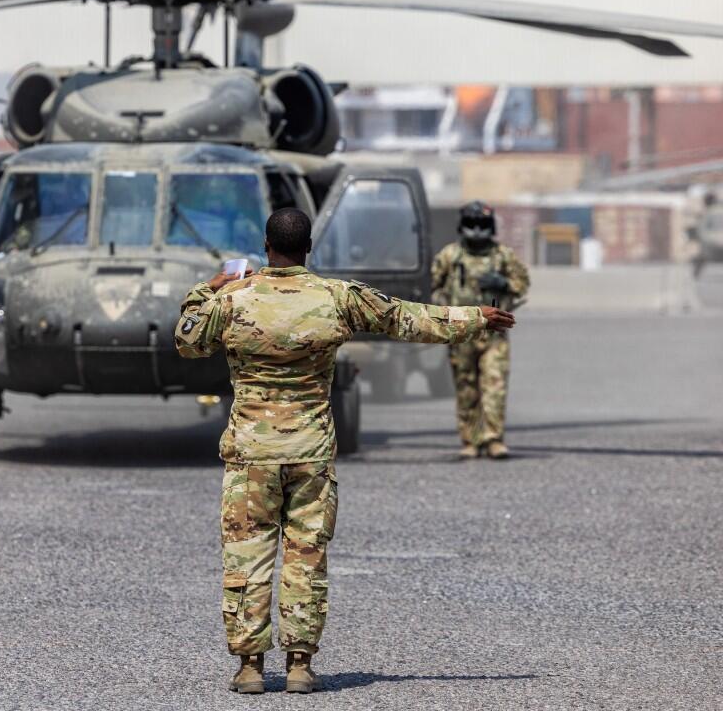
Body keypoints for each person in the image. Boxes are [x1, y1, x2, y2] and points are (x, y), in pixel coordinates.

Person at [175, 208, 515, 694]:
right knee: (306, 555)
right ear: (309, 248)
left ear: (265, 248)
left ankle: (250, 666)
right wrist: (475, 318)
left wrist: (207, 287)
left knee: (247, 556)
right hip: (311, 452)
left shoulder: (234, 299)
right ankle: (298, 665)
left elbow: (186, 340)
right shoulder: (337, 297)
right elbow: (406, 318)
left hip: (252, 453)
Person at [431, 201, 530, 459]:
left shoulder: (502, 256)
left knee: (494, 387)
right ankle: (470, 440)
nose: (476, 230)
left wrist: (504, 283)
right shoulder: (450, 256)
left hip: (494, 334)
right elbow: (433, 285)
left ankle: (494, 438)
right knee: (466, 388)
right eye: (471, 224)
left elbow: (522, 284)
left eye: (482, 225)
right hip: (462, 333)